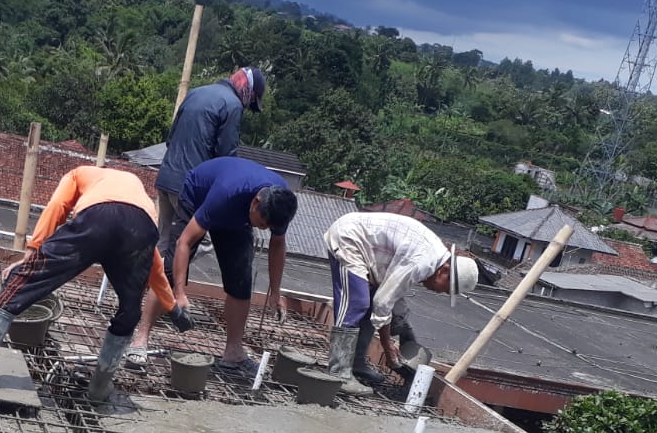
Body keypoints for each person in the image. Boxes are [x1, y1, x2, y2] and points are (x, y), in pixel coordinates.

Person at [0, 166, 175, 403]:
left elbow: (58, 207)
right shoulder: (142, 200)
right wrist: (172, 306)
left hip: (98, 219)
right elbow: (155, 265)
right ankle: (100, 387)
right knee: (130, 308)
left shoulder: (79, 174)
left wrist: (32, 252)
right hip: (142, 231)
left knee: (25, 279)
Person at [130, 157, 298, 369]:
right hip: (199, 197)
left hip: (237, 216)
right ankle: (140, 339)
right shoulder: (227, 193)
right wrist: (180, 294)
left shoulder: (280, 203)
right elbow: (185, 241)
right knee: (170, 271)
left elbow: (277, 244)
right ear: (256, 202)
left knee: (241, 280)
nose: (264, 229)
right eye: (262, 224)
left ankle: (234, 352)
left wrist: (275, 291)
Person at [321, 212, 479, 395]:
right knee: (357, 304)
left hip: (369, 250)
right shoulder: (422, 263)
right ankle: (338, 374)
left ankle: (355, 364)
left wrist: (404, 332)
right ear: (444, 271)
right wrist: (387, 346)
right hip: (350, 239)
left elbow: (392, 297)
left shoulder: (432, 259)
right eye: (445, 288)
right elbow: (383, 302)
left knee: (371, 305)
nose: (439, 292)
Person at [155, 67, 267, 282]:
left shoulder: (197, 92)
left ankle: (142, 292)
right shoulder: (233, 106)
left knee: (163, 242)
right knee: (186, 246)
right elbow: (227, 156)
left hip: (166, 176)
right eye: (251, 102)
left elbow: (170, 139)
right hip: (189, 187)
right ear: (249, 92)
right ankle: (166, 302)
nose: (248, 106)